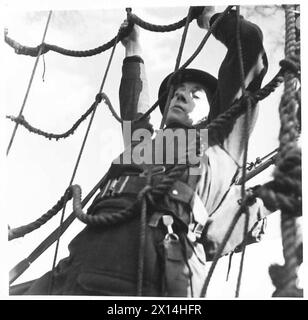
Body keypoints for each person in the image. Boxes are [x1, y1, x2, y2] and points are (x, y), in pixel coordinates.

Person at [24, 7, 269, 297]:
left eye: (196, 94)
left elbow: (249, 47)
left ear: (213, 109)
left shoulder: (221, 145)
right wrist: (133, 46)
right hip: (73, 268)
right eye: (179, 90)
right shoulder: (146, 147)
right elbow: (134, 106)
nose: (181, 94)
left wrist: (211, 17)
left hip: (141, 277)